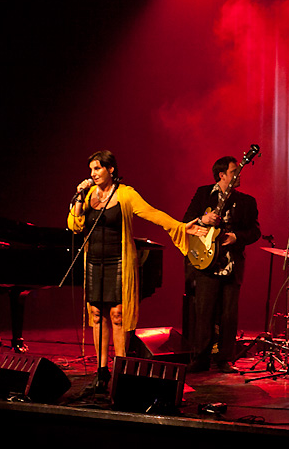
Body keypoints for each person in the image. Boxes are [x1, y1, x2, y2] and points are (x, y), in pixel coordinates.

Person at [68, 150, 206, 392]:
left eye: (98, 168)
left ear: (111, 169)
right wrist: (79, 197)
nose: (93, 174)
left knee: (117, 314)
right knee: (97, 314)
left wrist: (181, 227)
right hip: (94, 262)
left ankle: (121, 371)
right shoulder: (88, 194)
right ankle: (101, 372)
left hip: (119, 261)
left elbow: (153, 214)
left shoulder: (126, 194)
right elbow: (75, 224)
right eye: (91, 170)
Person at [184, 156, 261, 373]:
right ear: (222, 175)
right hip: (206, 262)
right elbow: (185, 221)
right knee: (204, 312)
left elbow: (255, 231)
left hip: (231, 263)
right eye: (234, 171)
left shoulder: (247, 201)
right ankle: (200, 358)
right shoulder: (203, 194)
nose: (239, 174)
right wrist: (203, 219)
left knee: (229, 314)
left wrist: (236, 237)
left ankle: (224, 358)